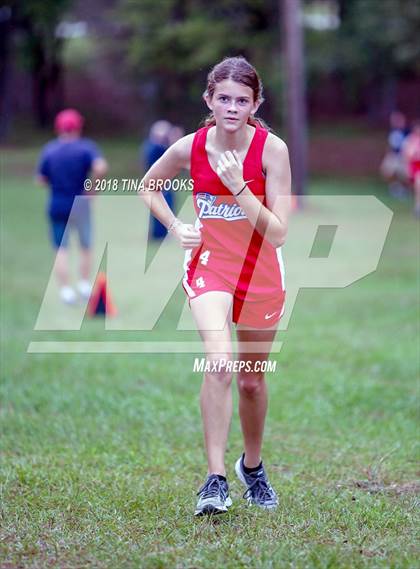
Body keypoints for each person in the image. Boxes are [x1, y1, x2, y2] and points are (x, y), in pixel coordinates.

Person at [139, 56, 291, 516]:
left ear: (255, 103)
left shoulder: (272, 150)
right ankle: (215, 478)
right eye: (223, 98)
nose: (231, 107)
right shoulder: (191, 146)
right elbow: (148, 185)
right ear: (209, 100)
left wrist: (240, 188)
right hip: (211, 265)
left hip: (261, 269)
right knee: (220, 364)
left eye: (241, 100)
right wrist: (173, 224)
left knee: (250, 381)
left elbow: (280, 232)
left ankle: (252, 466)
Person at [37, 109, 108, 304]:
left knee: (61, 248)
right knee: (85, 246)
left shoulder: (49, 150)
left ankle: (66, 291)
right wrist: (92, 190)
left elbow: (41, 179)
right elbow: (101, 167)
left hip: (57, 204)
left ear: (58, 128)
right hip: (81, 203)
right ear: (78, 127)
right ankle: (85, 285)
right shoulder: (86, 148)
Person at [142, 120, 173, 239]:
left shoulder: (149, 145)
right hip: (160, 183)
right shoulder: (155, 147)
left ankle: (160, 233)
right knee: (162, 206)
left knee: (160, 207)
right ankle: (159, 234)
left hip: (160, 182)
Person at [379, 111, 410, 198]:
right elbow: (391, 144)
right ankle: (395, 188)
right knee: (386, 172)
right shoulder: (393, 131)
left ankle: (404, 190)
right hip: (393, 156)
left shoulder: (407, 132)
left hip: (403, 156)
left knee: (405, 175)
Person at [402, 120, 420, 218]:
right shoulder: (410, 140)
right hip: (414, 167)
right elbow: (407, 155)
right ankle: (417, 207)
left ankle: (418, 207)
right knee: (418, 184)